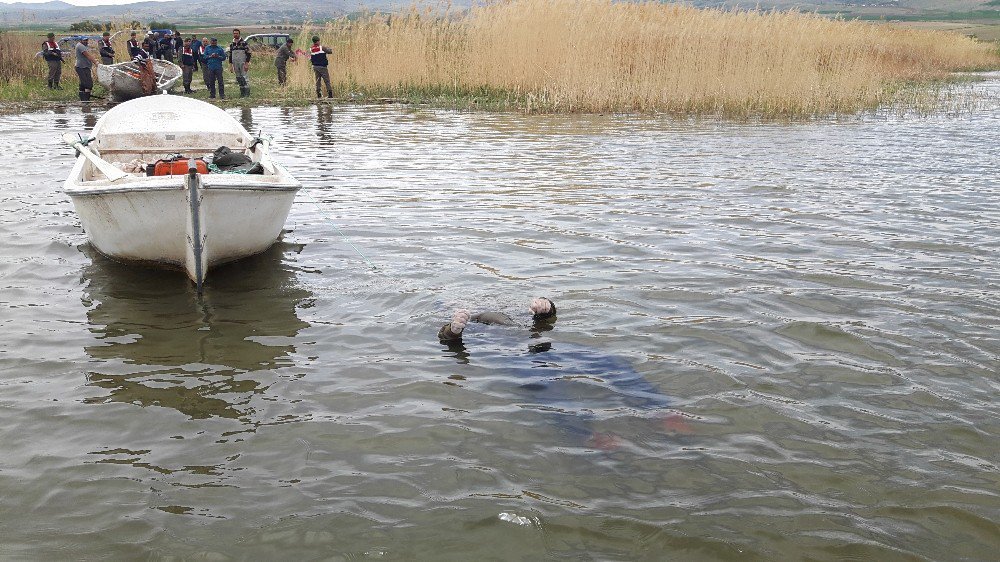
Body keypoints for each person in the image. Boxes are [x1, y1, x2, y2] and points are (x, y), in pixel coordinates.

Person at [438, 298, 690, 450]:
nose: (460, 305)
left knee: (608, 360)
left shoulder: (500, 312)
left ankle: (658, 409)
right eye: (453, 303)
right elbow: (449, 342)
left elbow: (543, 323)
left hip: (540, 345)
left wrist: (546, 308)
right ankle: (587, 435)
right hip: (509, 356)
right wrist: (453, 330)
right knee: (543, 387)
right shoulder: (458, 322)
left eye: (460, 301)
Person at [74, 36, 99, 101]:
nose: (86, 41)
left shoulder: (85, 46)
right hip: (81, 67)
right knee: (87, 84)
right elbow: (88, 55)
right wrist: (96, 62)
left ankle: (85, 99)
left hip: (86, 67)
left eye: (86, 40)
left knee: (84, 83)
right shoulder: (80, 46)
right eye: (84, 40)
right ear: (81, 40)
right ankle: (85, 99)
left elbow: (89, 54)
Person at [228, 28, 251, 97]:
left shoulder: (244, 43)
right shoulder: (232, 44)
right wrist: (230, 65)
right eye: (234, 33)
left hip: (242, 63)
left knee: (244, 78)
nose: (235, 34)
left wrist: (246, 64)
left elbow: (249, 54)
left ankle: (247, 94)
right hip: (235, 63)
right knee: (238, 78)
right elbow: (230, 55)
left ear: (239, 34)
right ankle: (242, 93)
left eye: (236, 33)